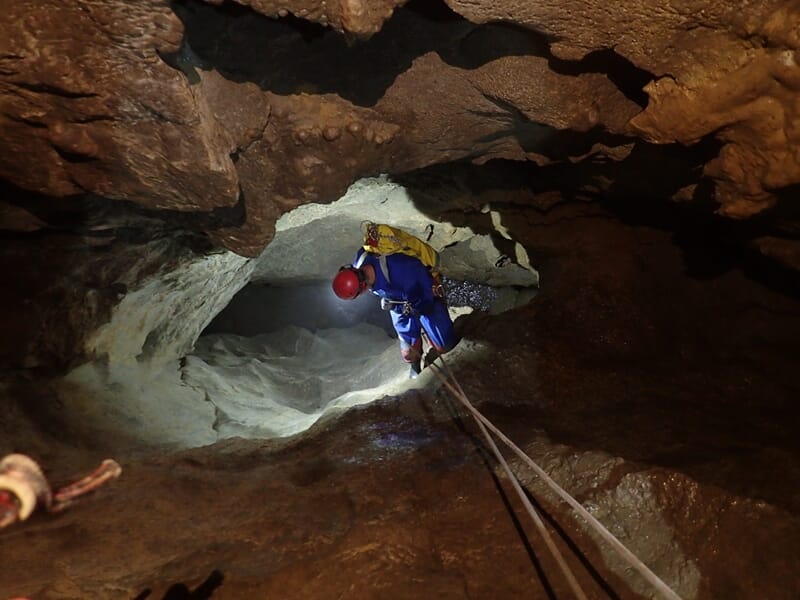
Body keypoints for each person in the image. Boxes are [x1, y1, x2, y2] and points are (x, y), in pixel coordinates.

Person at [332, 248, 458, 378]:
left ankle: (440, 338)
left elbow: (423, 288)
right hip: (398, 302)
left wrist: (420, 308)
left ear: (362, 288)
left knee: (444, 345)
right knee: (407, 348)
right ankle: (414, 363)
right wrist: (395, 305)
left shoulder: (399, 270)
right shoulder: (360, 260)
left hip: (423, 296)